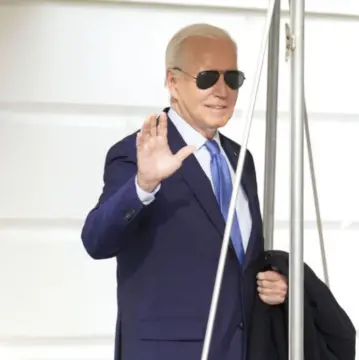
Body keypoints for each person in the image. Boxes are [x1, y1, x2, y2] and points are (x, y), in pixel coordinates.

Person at [81, 23, 288, 360]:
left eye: (232, 79)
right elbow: (96, 241)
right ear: (172, 81)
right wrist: (143, 185)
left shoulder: (240, 158)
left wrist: (273, 284)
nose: (222, 91)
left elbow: (237, 258)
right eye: (207, 78)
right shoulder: (137, 152)